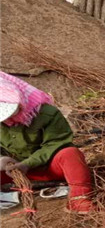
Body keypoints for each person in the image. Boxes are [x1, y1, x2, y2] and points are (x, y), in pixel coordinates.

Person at [0, 71, 94, 212]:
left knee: (70, 154)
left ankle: (78, 199)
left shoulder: (46, 113)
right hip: (14, 172)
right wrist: (2, 159)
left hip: (49, 168)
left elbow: (56, 143)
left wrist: (28, 163)